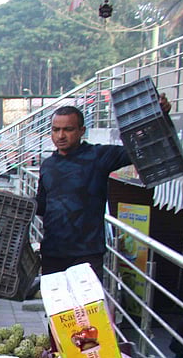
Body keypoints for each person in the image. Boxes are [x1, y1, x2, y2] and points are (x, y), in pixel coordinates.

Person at [36, 106, 131, 275]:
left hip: (87, 255)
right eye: (56, 130)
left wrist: (161, 117)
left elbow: (138, 149)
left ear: (82, 131)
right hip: (53, 254)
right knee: (56, 302)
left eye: (68, 129)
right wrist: (13, 202)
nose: (60, 136)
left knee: (88, 303)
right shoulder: (47, 165)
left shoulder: (99, 156)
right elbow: (42, 205)